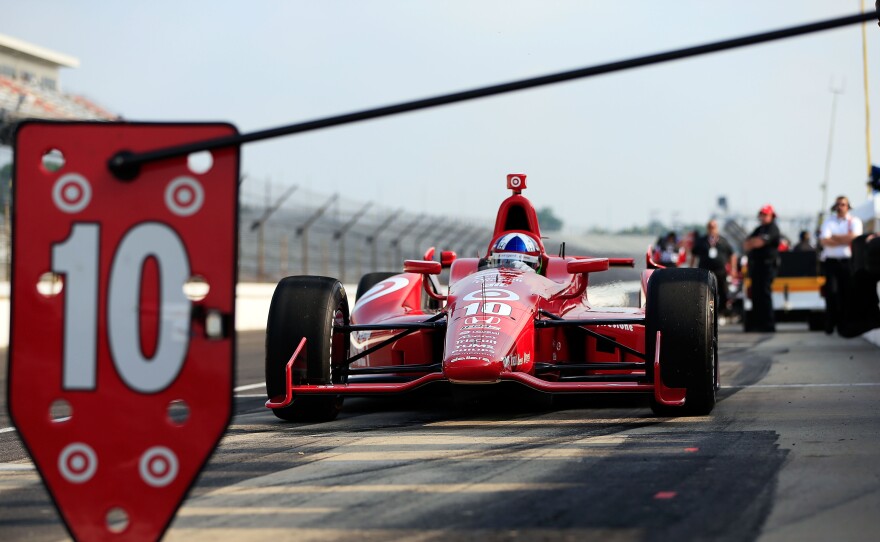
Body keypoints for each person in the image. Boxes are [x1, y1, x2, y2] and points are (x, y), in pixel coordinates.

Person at [818, 195, 863, 334]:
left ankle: (845, 323)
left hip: (847, 262)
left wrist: (834, 238)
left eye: (843, 204)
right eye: (838, 204)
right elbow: (824, 240)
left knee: (847, 292)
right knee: (831, 292)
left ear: (848, 206)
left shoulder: (854, 221)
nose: (840, 207)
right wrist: (844, 238)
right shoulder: (828, 221)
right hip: (831, 262)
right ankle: (831, 322)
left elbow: (855, 238)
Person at [742, 204, 781, 332]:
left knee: (765, 293)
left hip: (768, 265)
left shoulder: (773, 229)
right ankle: (757, 323)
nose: (763, 217)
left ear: (771, 216)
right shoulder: (759, 229)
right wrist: (754, 242)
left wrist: (755, 242)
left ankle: (768, 324)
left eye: (766, 215)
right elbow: (746, 244)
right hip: (756, 265)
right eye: (762, 215)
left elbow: (759, 243)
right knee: (756, 294)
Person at [690, 219, 737, 317]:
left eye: (714, 227)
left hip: (720, 271)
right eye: (710, 227)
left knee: (723, 291)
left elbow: (732, 254)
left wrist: (733, 269)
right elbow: (694, 254)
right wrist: (691, 268)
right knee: (703, 292)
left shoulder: (723, 241)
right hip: (705, 271)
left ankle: (722, 312)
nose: (712, 229)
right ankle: (703, 312)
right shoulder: (701, 241)